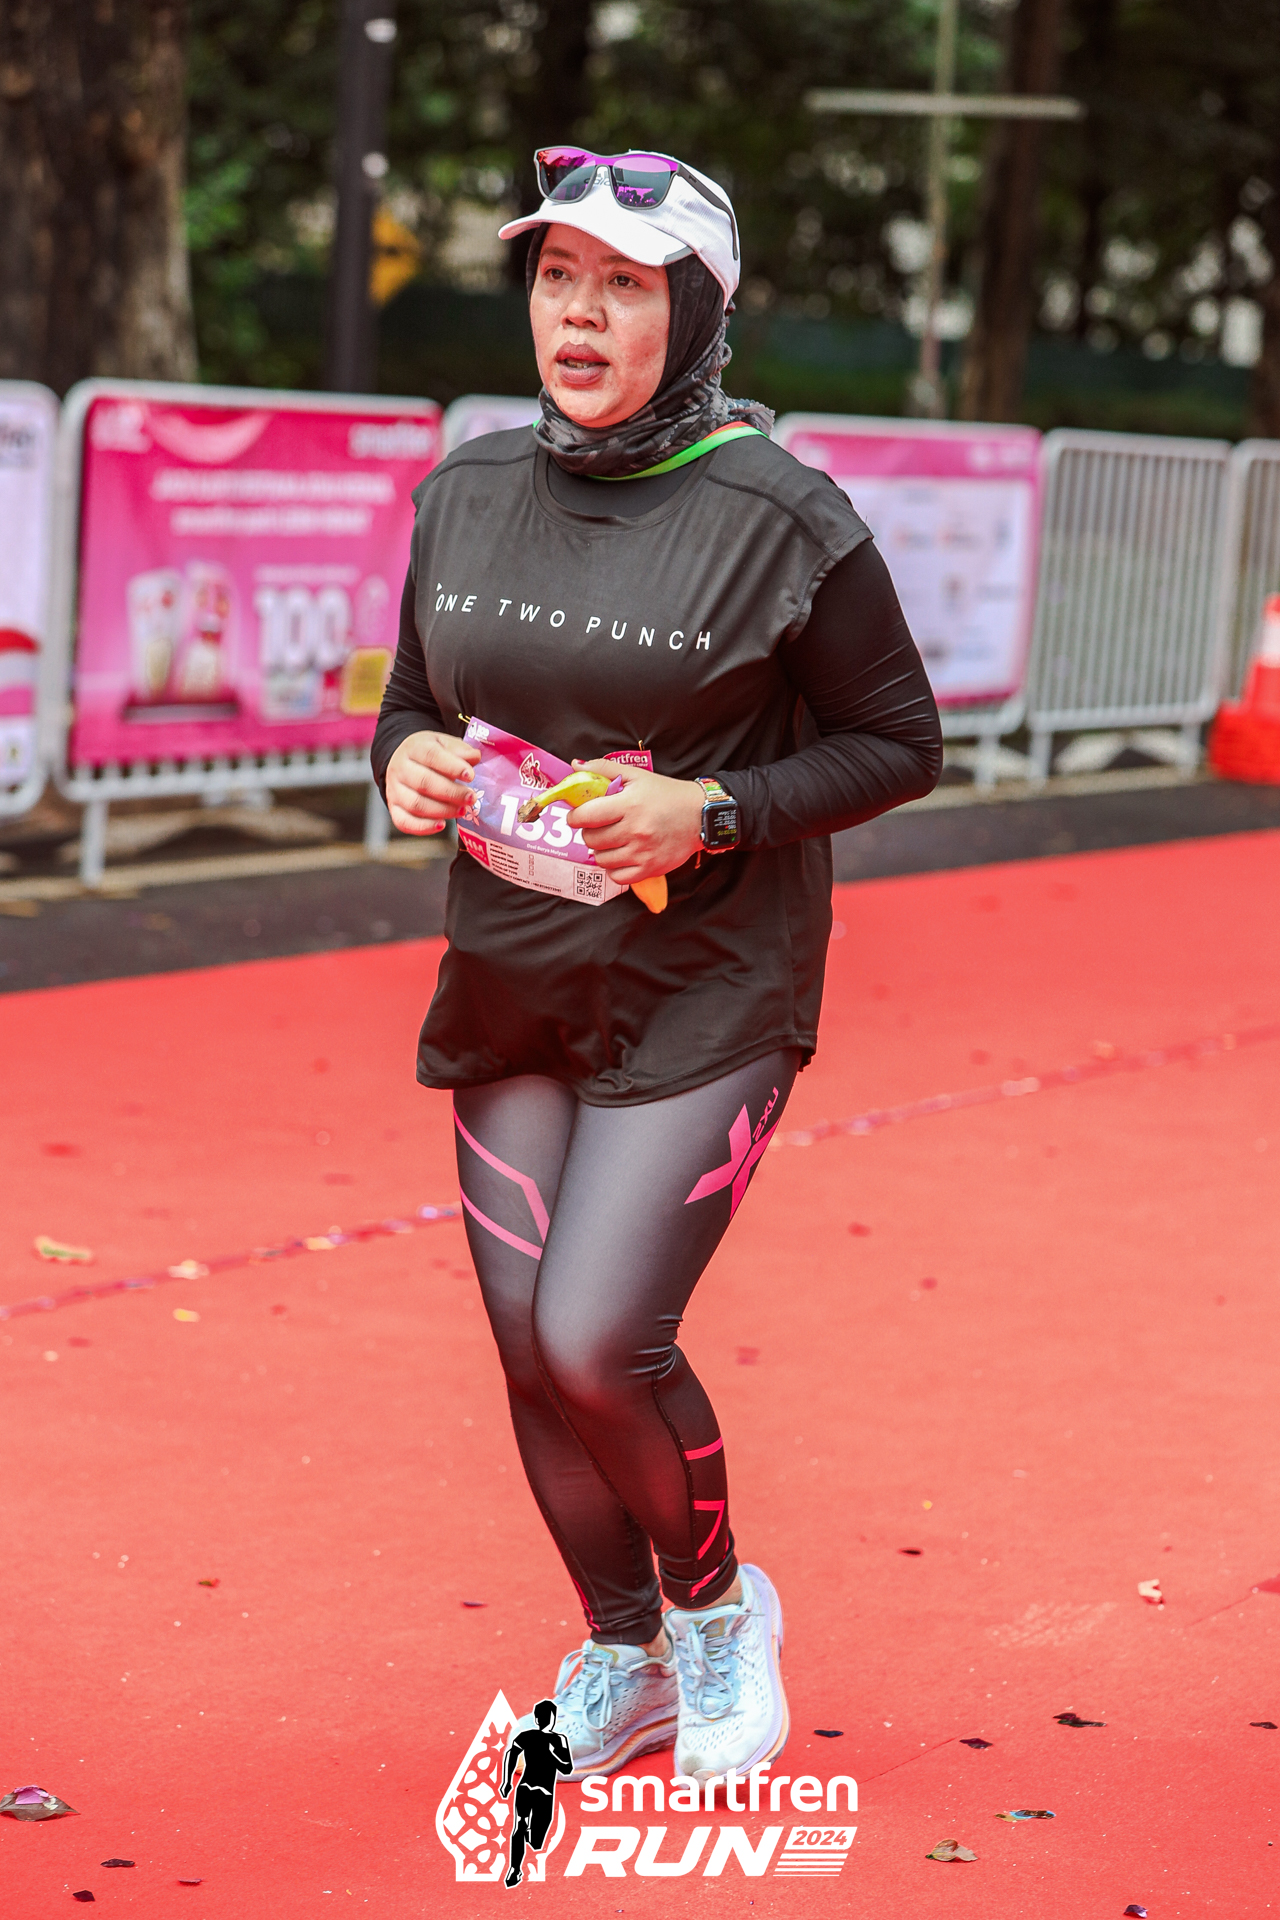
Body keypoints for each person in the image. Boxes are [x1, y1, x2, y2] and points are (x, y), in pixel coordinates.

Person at [372, 147, 942, 1786]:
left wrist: (711, 808)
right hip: (515, 973)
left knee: (595, 1333)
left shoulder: (783, 517)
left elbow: (899, 743)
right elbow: (414, 699)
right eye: (558, 278)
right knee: (522, 1343)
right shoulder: (464, 491)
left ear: (693, 312)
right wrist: (404, 760)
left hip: (710, 983)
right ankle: (618, 1651)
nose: (579, 314)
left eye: (623, 286)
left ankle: (715, 1614)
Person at [499, 1699, 573, 1887]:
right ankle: (515, 1869)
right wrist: (506, 1781)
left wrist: (551, 1756)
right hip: (533, 1788)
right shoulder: (538, 1737)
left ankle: (526, 1842)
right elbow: (511, 1755)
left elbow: (566, 1768)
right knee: (521, 1826)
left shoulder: (552, 1739)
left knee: (533, 1836)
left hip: (536, 1790)